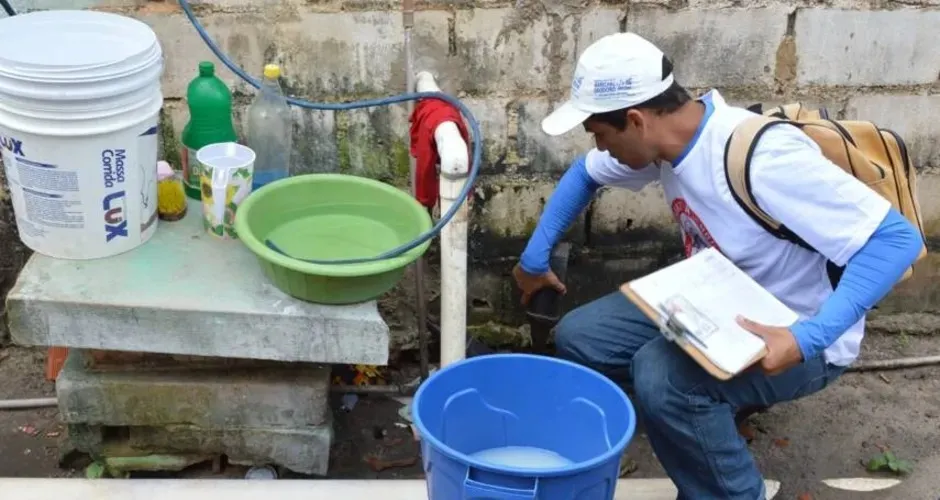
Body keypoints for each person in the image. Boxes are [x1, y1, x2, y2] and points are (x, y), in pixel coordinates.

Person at [512, 32, 924, 499]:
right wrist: (532, 260)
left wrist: (808, 338)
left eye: (600, 135)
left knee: (661, 377)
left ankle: (729, 485)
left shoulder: (762, 157)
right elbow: (584, 174)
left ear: (635, 119)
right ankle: (709, 416)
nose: (601, 148)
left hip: (794, 330)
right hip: (715, 301)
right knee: (581, 337)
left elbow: (896, 240)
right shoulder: (668, 143)